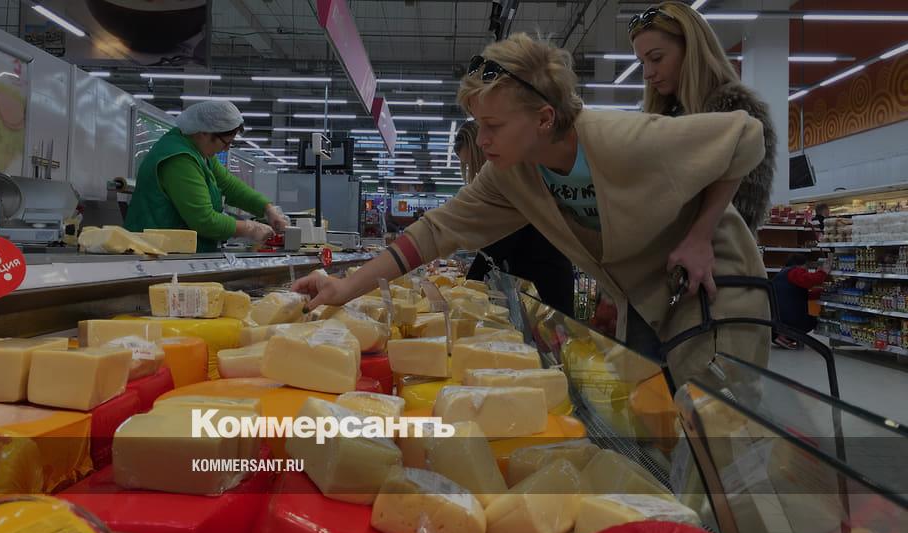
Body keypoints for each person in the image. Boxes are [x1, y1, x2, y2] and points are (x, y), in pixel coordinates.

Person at [293, 33, 768, 394]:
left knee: (717, 440)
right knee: (656, 427)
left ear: (544, 118)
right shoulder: (512, 174)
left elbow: (746, 136)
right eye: (479, 125)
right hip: (648, 300)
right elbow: (435, 231)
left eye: (493, 125)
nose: (482, 140)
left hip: (713, 289)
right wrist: (344, 287)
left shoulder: (620, 139)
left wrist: (700, 234)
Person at [630, 1, 777, 234]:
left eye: (656, 58)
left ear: (691, 50)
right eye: (642, 62)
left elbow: (739, 214)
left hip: (710, 253)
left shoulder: (737, 112)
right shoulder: (660, 115)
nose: (647, 73)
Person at [124, 101, 288, 253]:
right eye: (225, 143)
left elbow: (230, 186)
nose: (227, 149)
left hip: (178, 253)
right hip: (158, 254)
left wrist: (267, 208)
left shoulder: (200, 151)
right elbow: (204, 220)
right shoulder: (180, 159)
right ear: (204, 132)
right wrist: (249, 228)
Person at [455, 120, 575, 316]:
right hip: (527, 280)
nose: (471, 171)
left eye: (471, 164)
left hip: (546, 278)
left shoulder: (511, 177)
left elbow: (500, 241)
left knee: (552, 333)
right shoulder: (500, 183)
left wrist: (469, 284)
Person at [772, 254, 831, 349]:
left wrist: (823, 293)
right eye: (806, 267)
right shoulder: (795, 271)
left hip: (779, 317)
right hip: (791, 318)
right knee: (812, 321)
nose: (806, 270)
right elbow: (810, 280)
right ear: (802, 265)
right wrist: (823, 272)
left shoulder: (782, 274)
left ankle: (780, 335)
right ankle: (784, 336)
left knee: (808, 320)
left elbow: (798, 295)